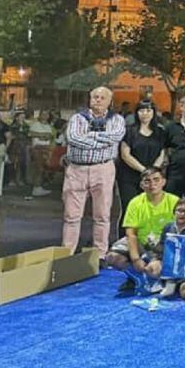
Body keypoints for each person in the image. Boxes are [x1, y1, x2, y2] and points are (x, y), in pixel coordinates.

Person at [63, 86, 125, 256]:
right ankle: (67, 253)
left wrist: (89, 136)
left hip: (103, 168)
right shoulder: (77, 118)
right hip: (77, 169)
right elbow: (74, 138)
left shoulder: (117, 119)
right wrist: (101, 140)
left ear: (109, 101)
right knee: (72, 216)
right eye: (95, 97)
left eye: (102, 97)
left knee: (102, 215)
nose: (98, 100)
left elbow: (116, 137)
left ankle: (100, 255)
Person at [106, 167, 178, 288]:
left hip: (163, 247)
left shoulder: (174, 201)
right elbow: (131, 234)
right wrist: (135, 259)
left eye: (156, 180)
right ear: (142, 184)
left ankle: (157, 276)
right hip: (141, 242)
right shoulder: (135, 203)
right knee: (112, 257)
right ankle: (136, 277)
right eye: (147, 181)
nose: (152, 184)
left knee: (154, 270)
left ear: (164, 182)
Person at [116, 99, 164, 234]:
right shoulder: (129, 131)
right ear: (136, 113)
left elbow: (162, 153)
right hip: (129, 177)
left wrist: (153, 172)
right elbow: (125, 155)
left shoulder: (160, 132)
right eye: (141, 110)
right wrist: (144, 170)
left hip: (151, 179)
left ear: (154, 113)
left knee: (149, 209)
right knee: (129, 208)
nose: (145, 114)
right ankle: (124, 241)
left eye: (148, 110)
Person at [159, 196, 185, 299]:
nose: (182, 214)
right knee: (153, 268)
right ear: (174, 212)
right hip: (170, 268)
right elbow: (160, 247)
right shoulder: (168, 227)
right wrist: (152, 245)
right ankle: (168, 282)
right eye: (179, 211)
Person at [25, 109, 57, 199]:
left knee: (42, 169)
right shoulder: (35, 124)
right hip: (37, 149)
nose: (45, 116)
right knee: (37, 168)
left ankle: (38, 186)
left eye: (47, 114)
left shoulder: (49, 126)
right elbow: (30, 133)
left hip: (46, 149)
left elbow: (51, 136)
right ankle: (35, 188)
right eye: (43, 114)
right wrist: (41, 135)